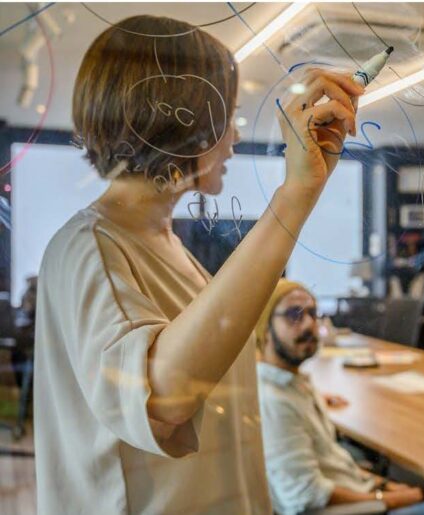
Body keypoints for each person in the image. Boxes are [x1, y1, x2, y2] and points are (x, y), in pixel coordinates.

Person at [34, 15, 362, 514]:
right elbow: (163, 397)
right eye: (226, 117)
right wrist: (295, 195)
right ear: (180, 121)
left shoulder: (163, 245)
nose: (233, 137)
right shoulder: (90, 246)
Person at [257, 280, 424, 515]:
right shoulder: (275, 402)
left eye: (312, 313)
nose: (310, 324)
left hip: (355, 489)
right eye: (294, 315)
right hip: (352, 509)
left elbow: (335, 465)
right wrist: (393, 499)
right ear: (264, 327)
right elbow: (308, 498)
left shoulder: (291, 383)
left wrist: (383, 485)